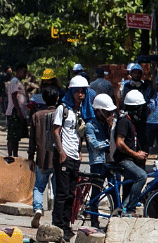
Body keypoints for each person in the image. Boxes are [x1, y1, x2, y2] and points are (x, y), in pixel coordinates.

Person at [51, 75, 87, 240]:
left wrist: (79, 152)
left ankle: (67, 225)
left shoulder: (79, 111)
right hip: (63, 156)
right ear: (72, 92)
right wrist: (61, 152)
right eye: (78, 92)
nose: (81, 95)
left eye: (83, 92)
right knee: (62, 193)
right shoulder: (62, 108)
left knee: (72, 194)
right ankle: (58, 226)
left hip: (74, 156)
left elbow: (79, 134)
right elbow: (55, 131)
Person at [112, 89, 149, 215]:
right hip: (123, 160)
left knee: (130, 184)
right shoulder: (124, 121)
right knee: (142, 176)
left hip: (130, 159)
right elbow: (120, 143)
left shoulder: (133, 122)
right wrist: (135, 154)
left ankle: (124, 212)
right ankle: (128, 207)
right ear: (135, 108)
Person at [28, 86, 60, 229]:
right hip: (58, 157)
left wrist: (30, 156)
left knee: (39, 187)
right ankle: (55, 211)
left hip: (41, 157)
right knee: (57, 186)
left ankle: (38, 208)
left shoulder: (36, 115)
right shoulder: (61, 114)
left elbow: (32, 140)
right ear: (57, 99)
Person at [85, 94, 115, 176]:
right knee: (97, 186)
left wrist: (112, 127)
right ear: (98, 111)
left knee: (114, 186)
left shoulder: (113, 123)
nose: (109, 114)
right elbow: (95, 145)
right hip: (98, 161)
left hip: (112, 160)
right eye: (106, 112)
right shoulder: (90, 125)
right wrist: (109, 143)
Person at [6, 64, 29, 158]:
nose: (25, 75)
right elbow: (14, 96)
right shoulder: (14, 81)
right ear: (19, 71)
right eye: (24, 72)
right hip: (14, 111)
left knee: (16, 136)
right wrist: (18, 110)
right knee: (12, 135)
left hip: (18, 111)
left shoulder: (19, 82)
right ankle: (10, 154)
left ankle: (15, 154)